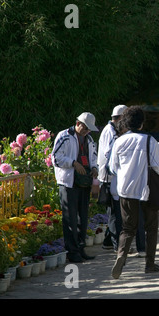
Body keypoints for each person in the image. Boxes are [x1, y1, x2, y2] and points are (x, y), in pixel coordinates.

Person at [109, 106, 159, 279]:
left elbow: (113, 168)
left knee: (127, 228)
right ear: (142, 124)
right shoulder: (149, 140)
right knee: (151, 227)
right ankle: (150, 264)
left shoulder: (119, 141)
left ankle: (121, 255)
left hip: (125, 190)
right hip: (146, 190)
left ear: (125, 122)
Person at [52, 112, 99, 263]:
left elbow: (94, 158)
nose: (87, 131)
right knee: (70, 218)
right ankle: (72, 252)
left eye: (89, 129)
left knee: (83, 218)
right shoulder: (64, 136)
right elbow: (55, 158)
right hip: (69, 183)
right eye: (85, 128)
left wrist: (94, 168)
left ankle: (80, 248)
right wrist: (73, 162)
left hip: (84, 182)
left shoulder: (89, 139)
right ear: (78, 123)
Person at [97, 104, 127, 251]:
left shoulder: (113, 130)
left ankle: (108, 242)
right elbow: (110, 154)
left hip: (110, 177)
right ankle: (117, 246)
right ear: (120, 118)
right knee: (115, 214)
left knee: (113, 212)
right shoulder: (110, 131)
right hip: (109, 178)